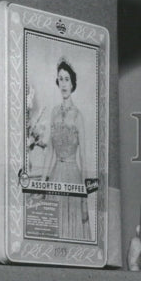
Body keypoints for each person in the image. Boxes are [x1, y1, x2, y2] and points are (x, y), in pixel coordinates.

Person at [42, 59, 91, 240]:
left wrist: (85, 196)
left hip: (73, 177)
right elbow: (49, 152)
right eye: (61, 79)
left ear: (72, 84)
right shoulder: (54, 112)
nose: (63, 83)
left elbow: (84, 158)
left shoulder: (78, 116)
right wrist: (41, 183)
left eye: (67, 79)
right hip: (55, 175)